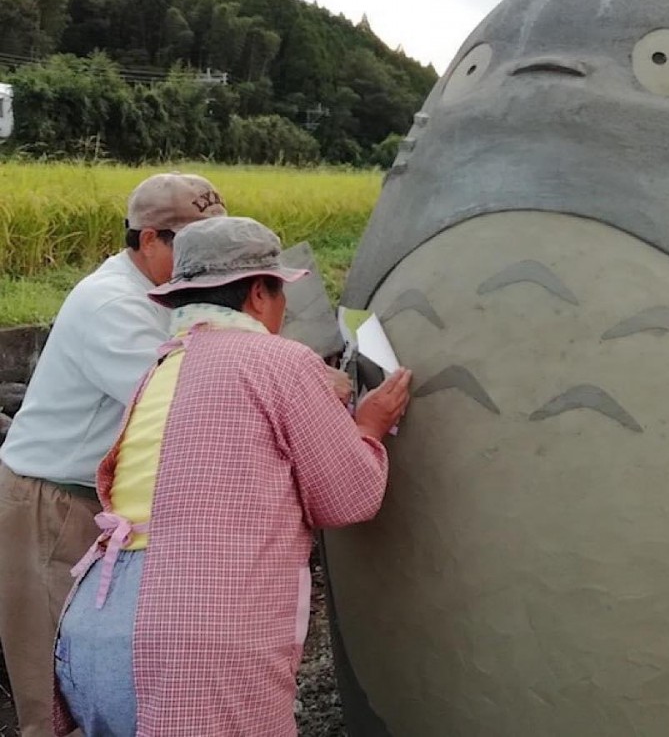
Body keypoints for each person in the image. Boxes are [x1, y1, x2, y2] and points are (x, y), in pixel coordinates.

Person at [53, 216, 412, 737]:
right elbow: (348, 497)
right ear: (261, 296)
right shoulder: (280, 361)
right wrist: (368, 426)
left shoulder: (161, 367)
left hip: (97, 628)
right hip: (196, 638)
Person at [0, 172, 226, 737]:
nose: (209, 260)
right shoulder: (111, 304)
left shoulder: (166, 295)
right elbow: (175, 399)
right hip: (51, 505)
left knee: (102, 676)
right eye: (194, 244)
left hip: (101, 509)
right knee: (57, 687)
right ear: (149, 239)